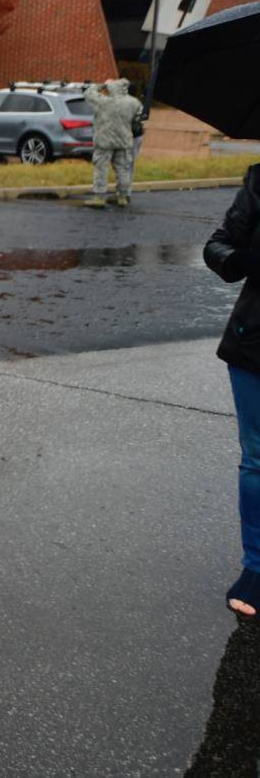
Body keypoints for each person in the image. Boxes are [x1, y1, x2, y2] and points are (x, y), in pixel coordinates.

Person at [203, 163, 260, 621]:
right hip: (255, 343)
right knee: (258, 459)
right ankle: (257, 566)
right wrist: (246, 258)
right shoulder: (259, 181)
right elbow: (218, 247)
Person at [85, 78, 143, 208]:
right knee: (123, 169)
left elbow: (88, 93)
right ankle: (122, 196)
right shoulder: (134, 103)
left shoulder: (103, 101)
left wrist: (102, 85)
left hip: (104, 141)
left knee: (101, 168)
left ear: (111, 87)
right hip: (124, 140)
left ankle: (99, 197)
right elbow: (139, 119)